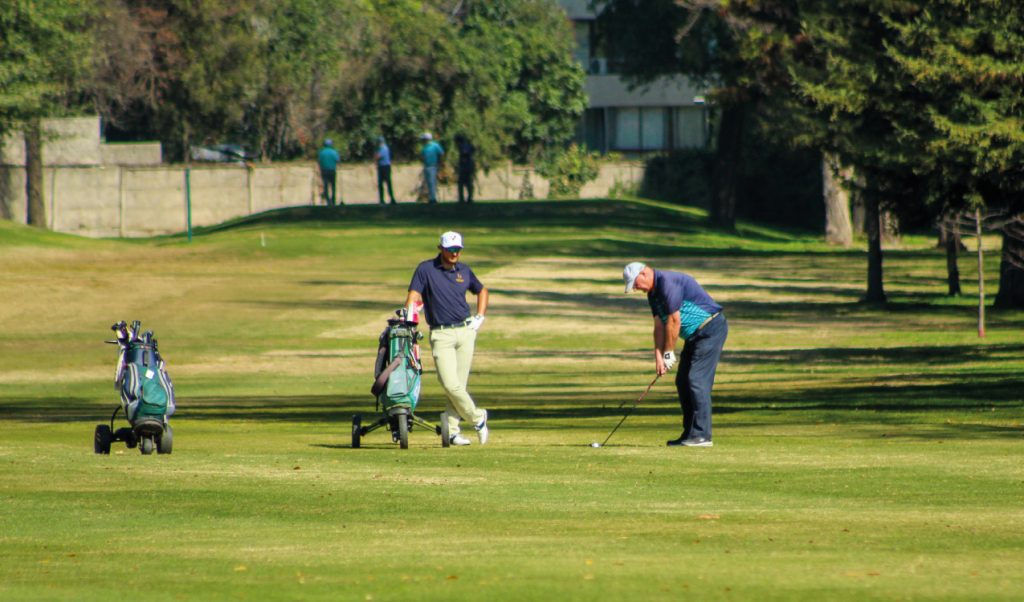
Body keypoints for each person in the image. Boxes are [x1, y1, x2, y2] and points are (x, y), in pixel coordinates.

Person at [623, 262, 727, 447]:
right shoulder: (653, 294)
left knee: (696, 380)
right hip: (695, 336)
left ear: (644, 273)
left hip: (710, 329)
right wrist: (658, 357)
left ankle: (702, 435)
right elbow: (659, 326)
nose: (636, 288)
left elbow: (673, 320)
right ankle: (690, 434)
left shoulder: (667, 283)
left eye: (636, 283)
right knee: (682, 381)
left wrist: (669, 353)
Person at [405, 231, 489, 445]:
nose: (454, 254)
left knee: (458, 384)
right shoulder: (426, 269)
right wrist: (409, 317)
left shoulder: (464, 270)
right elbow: (414, 295)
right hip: (441, 333)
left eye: (458, 250)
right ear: (440, 249)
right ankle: (478, 417)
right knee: (449, 383)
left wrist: (480, 316)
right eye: (450, 250)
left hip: (465, 331)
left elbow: (482, 290)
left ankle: (451, 431)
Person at [420, 132, 444, 204]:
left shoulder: (435, 145)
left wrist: (440, 163)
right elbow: (422, 157)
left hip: (433, 166)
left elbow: (441, 153)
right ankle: (431, 198)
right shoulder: (424, 147)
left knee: (432, 182)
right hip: (426, 166)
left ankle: (433, 199)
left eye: (424, 139)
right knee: (428, 183)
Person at [318, 139, 341, 206]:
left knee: (326, 185)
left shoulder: (321, 152)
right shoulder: (334, 152)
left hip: (324, 170)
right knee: (333, 185)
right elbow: (338, 161)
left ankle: (327, 200)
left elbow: (319, 162)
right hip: (332, 170)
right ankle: (333, 199)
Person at [375, 136, 397, 205]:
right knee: (380, 184)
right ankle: (382, 199)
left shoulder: (384, 148)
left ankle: (392, 199)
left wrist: (376, 156)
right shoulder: (379, 149)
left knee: (388, 183)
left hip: (385, 167)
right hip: (381, 166)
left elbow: (378, 157)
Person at [454, 134, 475, 204]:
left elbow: (465, 153)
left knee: (461, 183)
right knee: (468, 183)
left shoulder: (462, 146)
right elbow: (473, 149)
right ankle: (469, 197)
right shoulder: (468, 145)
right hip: (469, 166)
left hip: (465, 166)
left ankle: (462, 198)